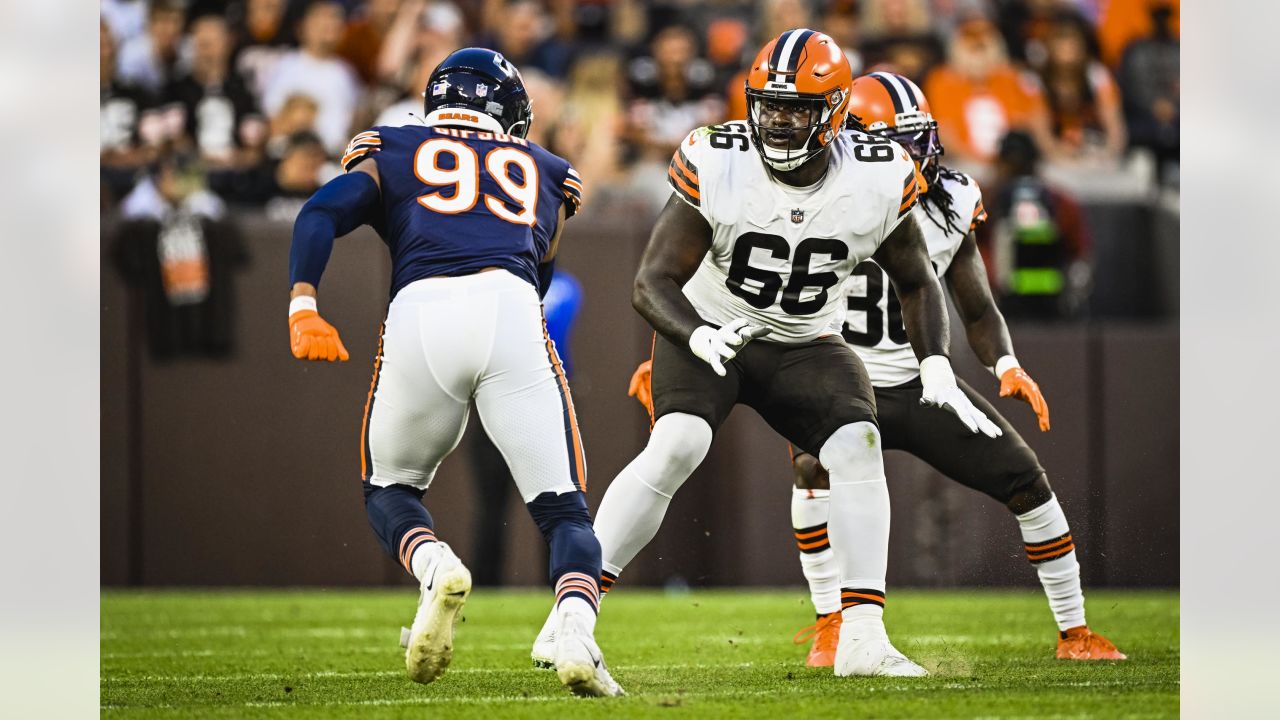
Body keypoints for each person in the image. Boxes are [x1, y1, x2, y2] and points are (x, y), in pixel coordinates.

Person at [532, 29, 1001, 678]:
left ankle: (862, 636)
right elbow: (652, 282)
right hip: (714, 324)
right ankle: (572, 613)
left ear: (835, 112)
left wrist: (937, 368)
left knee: (857, 445)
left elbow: (919, 280)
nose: (778, 122)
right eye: (769, 105)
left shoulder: (877, 175)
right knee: (676, 446)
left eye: (798, 108)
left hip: (803, 338)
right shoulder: (718, 158)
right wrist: (696, 334)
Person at [628, 72, 1123, 666]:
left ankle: (1075, 631)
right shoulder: (816, 196)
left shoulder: (943, 201)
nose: (914, 157)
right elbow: (748, 289)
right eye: (898, 141)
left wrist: (1005, 364)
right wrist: (676, 354)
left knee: (1026, 479)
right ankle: (833, 622)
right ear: (851, 139)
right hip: (833, 372)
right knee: (812, 471)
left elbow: (972, 302)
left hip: (920, 381)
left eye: (919, 140)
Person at [286, 48, 622, 697]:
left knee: (389, 488)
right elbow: (540, 268)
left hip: (421, 311)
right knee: (565, 513)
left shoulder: (393, 146)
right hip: (512, 312)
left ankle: (434, 563)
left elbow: (320, 212)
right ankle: (576, 630)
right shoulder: (549, 171)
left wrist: (304, 302)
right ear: (512, 113)